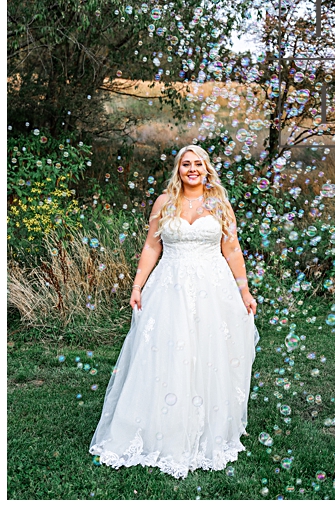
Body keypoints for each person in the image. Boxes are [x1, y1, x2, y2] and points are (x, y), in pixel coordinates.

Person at [91, 145, 259, 479]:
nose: (192, 169)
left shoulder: (220, 204)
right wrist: (137, 286)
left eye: (199, 164)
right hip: (170, 287)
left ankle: (207, 427)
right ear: (178, 169)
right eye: (186, 164)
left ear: (207, 169)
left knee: (208, 355)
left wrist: (244, 290)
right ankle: (161, 427)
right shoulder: (164, 203)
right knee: (166, 355)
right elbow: (152, 246)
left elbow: (232, 250)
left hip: (213, 290)